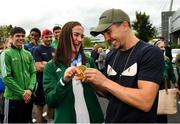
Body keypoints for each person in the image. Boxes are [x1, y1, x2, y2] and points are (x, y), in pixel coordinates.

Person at [87, 9, 164, 123]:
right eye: (104, 34)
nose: (106, 38)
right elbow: (110, 94)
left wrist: (104, 82)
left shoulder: (150, 53)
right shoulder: (111, 55)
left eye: (109, 32)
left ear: (125, 25)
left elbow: (145, 101)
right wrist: (94, 83)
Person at [43, 21, 104, 123]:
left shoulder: (88, 61)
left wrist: (98, 82)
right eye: (76, 35)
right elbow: (51, 101)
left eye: (82, 36)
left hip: (93, 119)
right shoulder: (51, 66)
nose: (80, 39)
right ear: (65, 37)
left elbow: (101, 92)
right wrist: (63, 81)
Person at [0, 27, 36, 123]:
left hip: (28, 97)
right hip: (13, 99)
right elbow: (6, 77)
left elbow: (33, 73)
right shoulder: (5, 54)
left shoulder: (28, 54)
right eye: (18, 36)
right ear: (11, 38)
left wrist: (29, 89)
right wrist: (22, 93)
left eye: (23, 36)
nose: (21, 38)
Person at [33, 29, 54, 123]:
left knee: (51, 104)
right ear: (42, 38)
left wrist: (46, 64)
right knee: (39, 106)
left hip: (53, 82)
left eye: (50, 37)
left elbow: (58, 65)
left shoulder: (54, 49)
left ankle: (49, 121)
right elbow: (38, 67)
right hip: (41, 82)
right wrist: (52, 66)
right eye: (47, 37)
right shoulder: (37, 49)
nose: (49, 39)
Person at [154, 39, 177, 123]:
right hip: (153, 88)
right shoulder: (151, 59)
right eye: (161, 47)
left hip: (165, 86)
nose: (163, 49)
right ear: (155, 48)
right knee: (154, 110)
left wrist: (176, 85)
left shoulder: (166, 59)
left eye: (164, 47)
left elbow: (171, 73)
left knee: (163, 109)